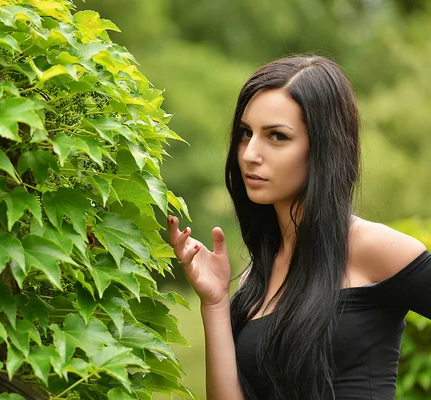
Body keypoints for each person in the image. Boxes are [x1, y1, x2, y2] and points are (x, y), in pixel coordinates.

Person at [166, 55, 431, 400]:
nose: (249, 154)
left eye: (277, 136)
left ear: (324, 148)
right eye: (246, 134)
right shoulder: (255, 279)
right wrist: (215, 303)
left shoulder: (371, 247)